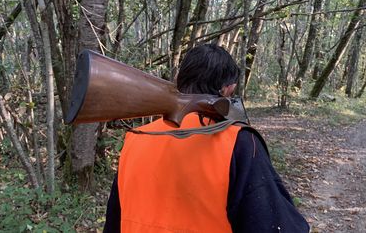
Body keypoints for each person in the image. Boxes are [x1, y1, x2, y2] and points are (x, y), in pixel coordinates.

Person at [103, 44, 310, 233]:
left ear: (179, 82)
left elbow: (114, 222)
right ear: (229, 89)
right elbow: (274, 225)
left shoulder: (136, 138)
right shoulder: (239, 142)